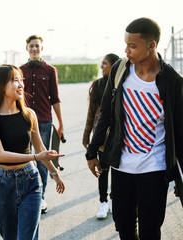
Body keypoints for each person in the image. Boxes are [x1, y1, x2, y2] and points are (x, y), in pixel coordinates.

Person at [85, 18, 183, 239]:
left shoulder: (173, 82)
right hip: (122, 166)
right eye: (125, 44)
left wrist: (179, 178)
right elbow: (107, 115)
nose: (126, 50)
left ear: (151, 45)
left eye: (132, 45)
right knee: (125, 228)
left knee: (150, 231)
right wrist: (91, 151)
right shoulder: (120, 69)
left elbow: (179, 131)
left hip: (154, 168)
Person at [0, 64, 65, 239]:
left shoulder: (29, 114)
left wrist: (55, 174)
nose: (20, 85)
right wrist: (35, 156)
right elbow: (0, 155)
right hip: (3, 184)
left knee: (27, 237)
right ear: (0, 85)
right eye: (14, 80)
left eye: (21, 80)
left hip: (31, 181)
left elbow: (41, 149)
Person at [20, 35, 65, 213]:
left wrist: (61, 123)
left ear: (42, 48)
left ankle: (42, 198)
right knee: (24, 161)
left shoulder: (50, 70)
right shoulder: (20, 70)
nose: (34, 49)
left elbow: (55, 98)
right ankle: (25, 196)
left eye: (37, 46)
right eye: (31, 46)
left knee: (43, 161)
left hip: (45, 122)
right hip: (23, 122)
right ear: (27, 48)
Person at [82, 53, 119, 219]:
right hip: (101, 137)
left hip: (119, 136)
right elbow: (91, 113)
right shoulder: (97, 85)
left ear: (114, 65)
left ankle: (113, 200)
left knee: (118, 171)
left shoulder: (121, 83)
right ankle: (103, 202)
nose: (101, 66)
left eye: (105, 63)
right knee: (103, 171)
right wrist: (86, 137)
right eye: (101, 63)